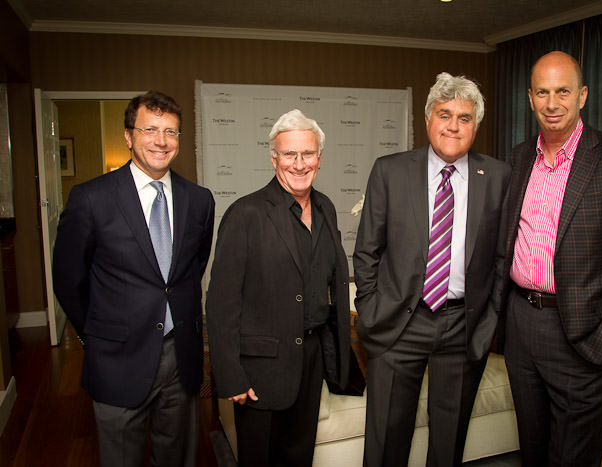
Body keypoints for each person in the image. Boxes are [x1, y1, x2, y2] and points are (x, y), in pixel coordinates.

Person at [503, 51, 602, 466]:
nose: (552, 102)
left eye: (563, 91)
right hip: (522, 326)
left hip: (582, 331)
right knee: (532, 449)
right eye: (542, 91)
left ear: (582, 96)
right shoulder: (519, 158)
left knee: (574, 456)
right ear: (530, 98)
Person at [353, 72, 511, 467]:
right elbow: (367, 250)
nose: (453, 126)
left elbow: (501, 260)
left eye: (465, 117)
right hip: (398, 323)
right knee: (387, 439)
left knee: (449, 441)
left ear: (476, 125)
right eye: (445, 114)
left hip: (462, 326)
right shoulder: (389, 171)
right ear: (427, 120)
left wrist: (488, 323)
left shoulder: (497, 177)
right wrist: (371, 312)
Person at [53, 91, 215, 466]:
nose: (161, 140)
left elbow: (191, 269)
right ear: (129, 136)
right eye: (150, 129)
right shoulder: (91, 199)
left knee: (176, 456)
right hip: (117, 358)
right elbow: (68, 280)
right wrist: (97, 333)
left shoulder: (200, 200)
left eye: (171, 132)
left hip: (182, 357)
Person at [206, 109, 356, 467]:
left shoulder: (326, 208)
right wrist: (230, 376)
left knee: (298, 456)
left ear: (319, 157)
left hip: (311, 361)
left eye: (307, 154)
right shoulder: (246, 214)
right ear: (274, 158)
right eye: (290, 154)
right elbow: (221, 302)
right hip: (261, 369)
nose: (299, 163)